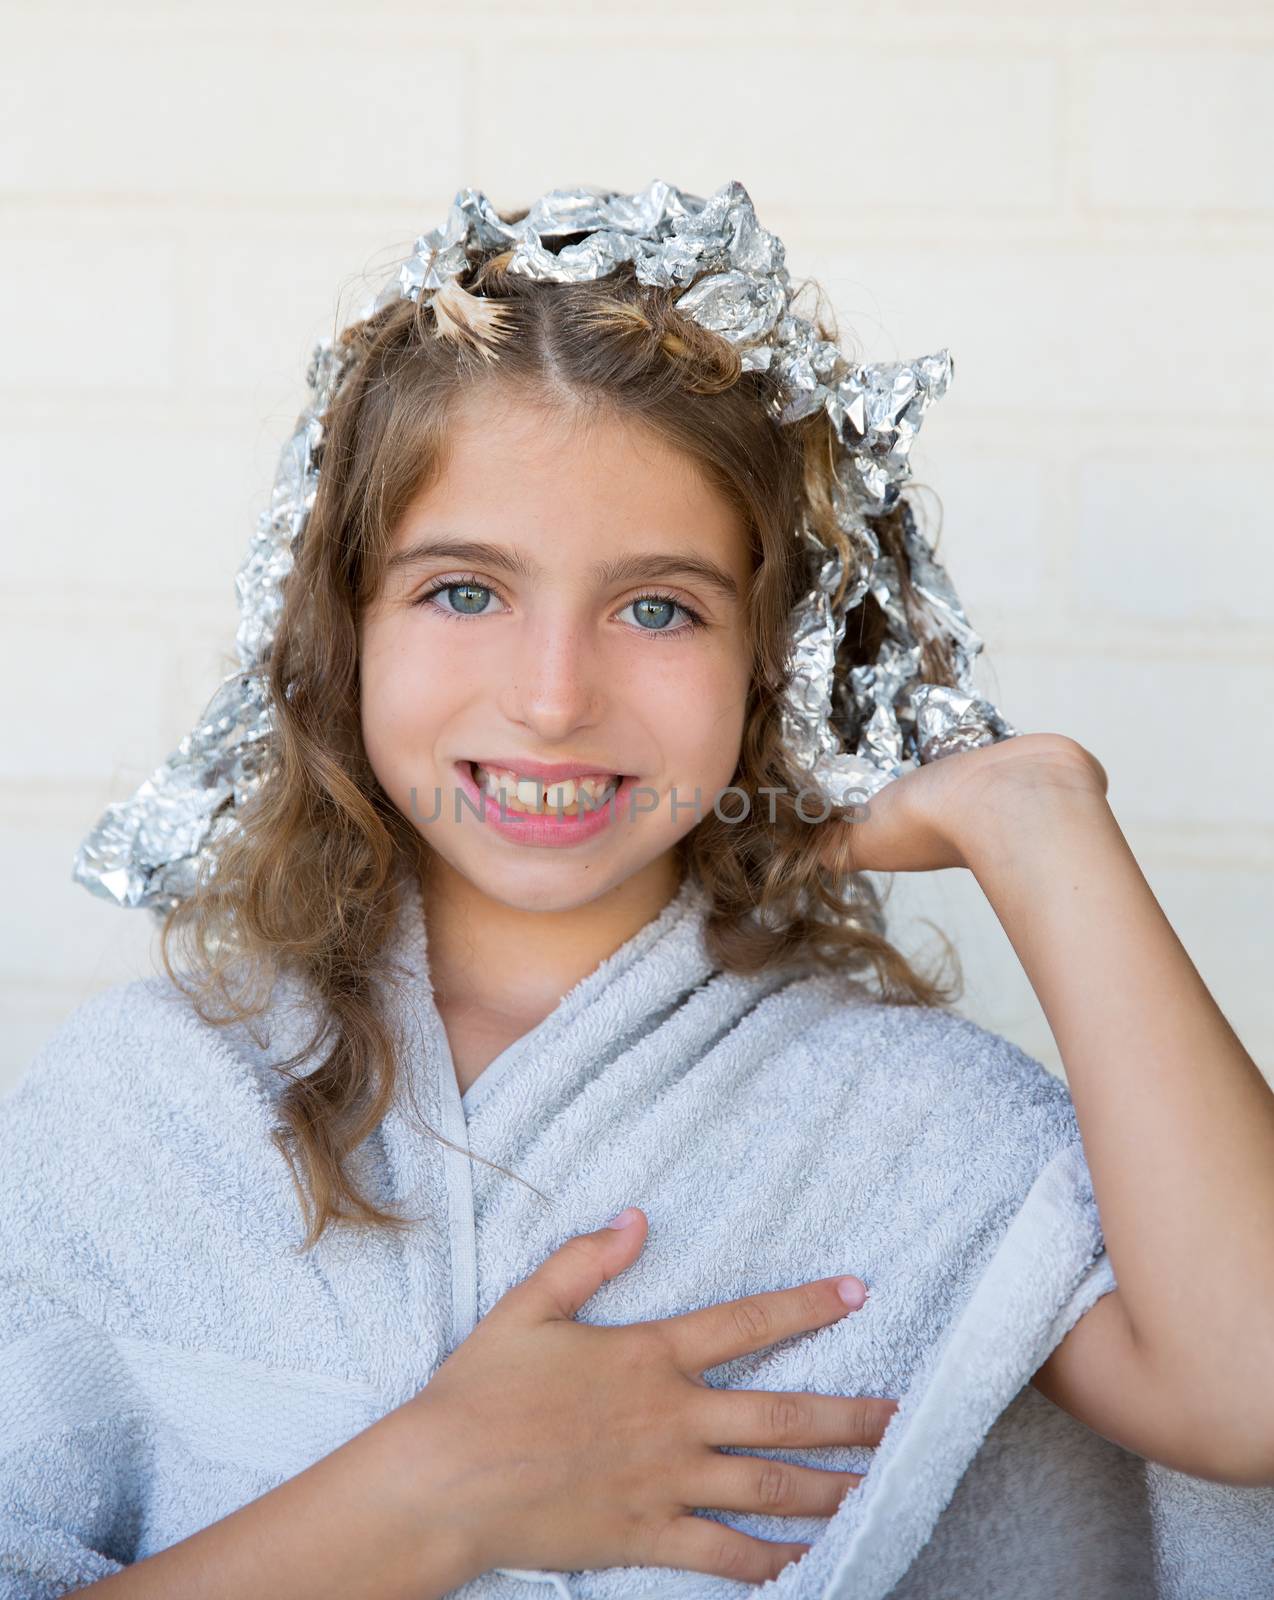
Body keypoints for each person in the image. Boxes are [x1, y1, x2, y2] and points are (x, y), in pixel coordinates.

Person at [3, 187, 1273, 1600]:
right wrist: (434, 1493)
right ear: (340, 623)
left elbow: (1248, 1392)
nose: (551, 700)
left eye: (657, 607)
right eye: (463, 591)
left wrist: (1044, 833)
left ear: (765, 658)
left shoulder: (900, 1120)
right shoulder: (139, 1107)